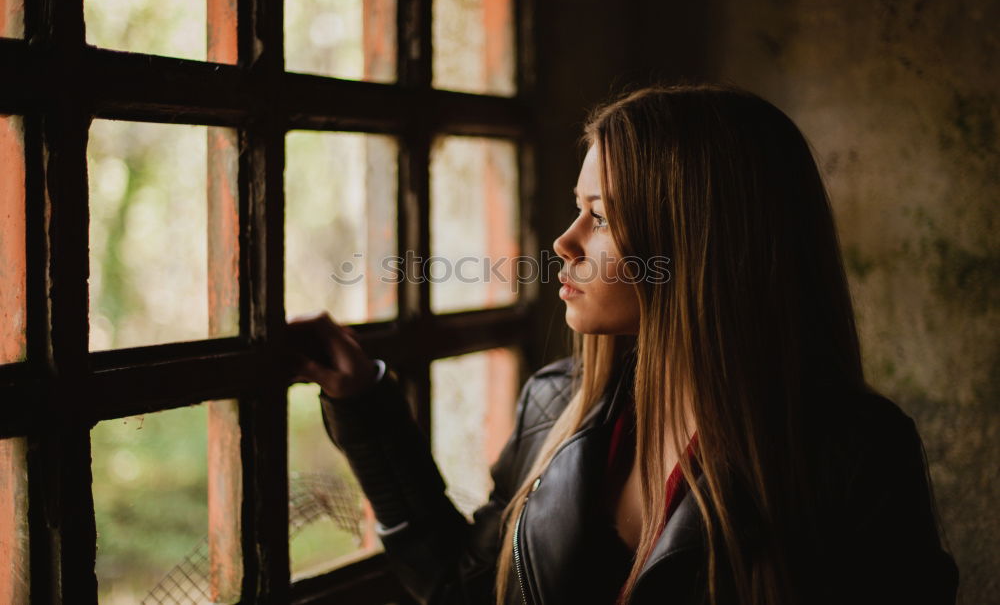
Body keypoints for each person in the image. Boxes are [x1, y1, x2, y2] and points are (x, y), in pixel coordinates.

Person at [282, 84, 960, 605]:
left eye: (599, 216)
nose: (564, 242)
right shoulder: (556, 404)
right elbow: (466, 589)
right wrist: (368, 407)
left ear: (696, 244)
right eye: (578, 208)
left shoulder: (854, 454)